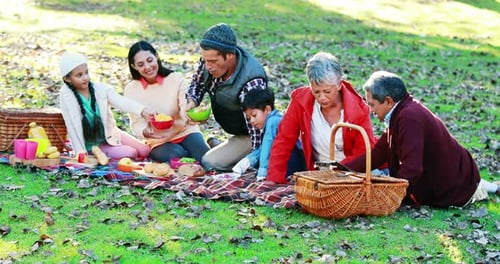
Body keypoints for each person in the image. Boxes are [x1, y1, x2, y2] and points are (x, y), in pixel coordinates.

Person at [343, 71, 498, 207]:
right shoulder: (400, 112)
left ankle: (481, 187)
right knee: (476, 185)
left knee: (473, 189)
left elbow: (412, 169)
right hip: (454, 170)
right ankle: (488, 186)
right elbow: (379, 153)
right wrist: (342, 169)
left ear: (388, 101)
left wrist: (391, 196)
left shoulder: (408, 118)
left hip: (452, 183)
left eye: (372, 104)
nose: (371, 110)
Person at [267, 52, 377, 184]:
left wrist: (337, 173)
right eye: (316, 92)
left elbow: (363, 153)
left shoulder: (358, 109)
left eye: (327, 91)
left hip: (352, 175)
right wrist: (274, 180)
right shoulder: (301, 101)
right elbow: (284, 139)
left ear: (339, 84)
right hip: (317, 175)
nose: (322, 98)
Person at [186, 23, 269, 171]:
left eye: (213, 62)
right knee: (216, 158)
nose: (208, 66)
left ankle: (228, 152)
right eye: (205, 60)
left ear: (230, 55)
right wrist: (192, 102)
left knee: (209, 162)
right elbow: (197, 84)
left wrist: (255, 162)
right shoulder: (208, 61)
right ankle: (226, 150)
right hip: (237, 131)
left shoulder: (251, 82)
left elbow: (259, 131)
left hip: (254, 135)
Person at [124, 40, 210, 164]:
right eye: (141, 64)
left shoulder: (176, 79)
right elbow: (136, 123)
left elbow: (185, 106)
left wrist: (191, 115)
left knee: (207, 160)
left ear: (156, 57)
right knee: (176, 156)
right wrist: (145, 132)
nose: (147, 67)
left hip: (185, 131)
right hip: (158, 141)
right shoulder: (131, 90)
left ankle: (207, 146)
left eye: (150, 60)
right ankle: (190, 155)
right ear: (134, 66)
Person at [58, 51, 152, 160]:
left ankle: (118, 150)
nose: (85, 78)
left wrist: (142, 110)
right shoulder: (67, 96)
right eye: (79, 75)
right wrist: (80, 153)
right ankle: (115, 153)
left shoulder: (100, 89)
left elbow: (121, 101)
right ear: (67, 79)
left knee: (145, 150)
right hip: (94, 146)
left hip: (111, 135)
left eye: (86, 72)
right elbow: (71, 126)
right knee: (131, 153)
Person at [232, 89, 306, 180]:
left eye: (254, 115)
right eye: (248, 118)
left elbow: (267, 148)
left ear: (267, 109)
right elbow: (262, 148)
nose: (251, 121)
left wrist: (262, 173)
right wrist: (246, 161)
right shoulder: (273, 121)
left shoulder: (272, 121)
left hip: (293, 163)